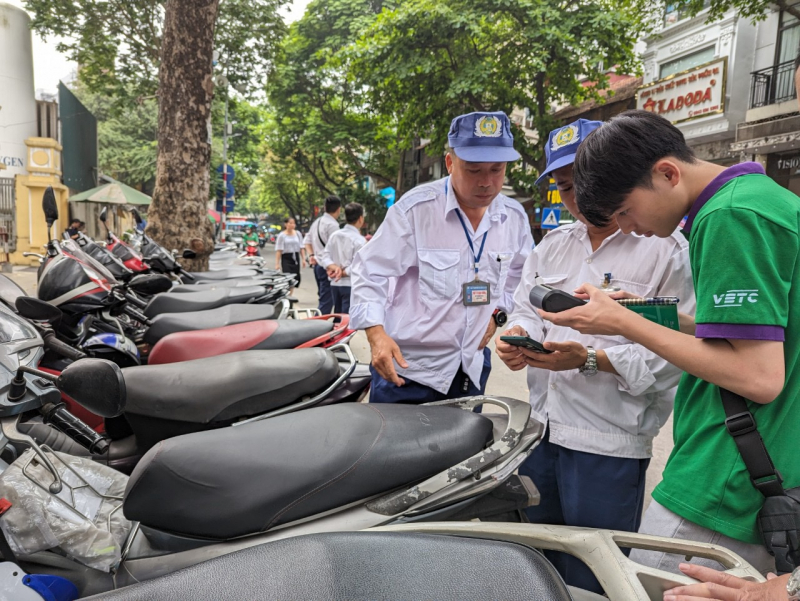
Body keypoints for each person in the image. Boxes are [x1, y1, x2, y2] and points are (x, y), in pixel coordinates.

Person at [540, 109, 800, 575]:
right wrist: (645, 311)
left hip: (725, 471)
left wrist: (624, 323)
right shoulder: (759, 198)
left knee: (642, 578)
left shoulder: (730, 216)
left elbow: (758, 376)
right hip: (758, 458)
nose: (624, 226)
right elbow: (741, 331)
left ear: (667, 173)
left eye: (624, 210)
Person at [494, 119, 695, 593]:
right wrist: (517, 336)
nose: (580, 200)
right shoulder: (554, 244)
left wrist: (589, 359)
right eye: (566, 187)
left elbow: (676, 355)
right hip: (540, 433)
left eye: (588, 185)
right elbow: (527, 306)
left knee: (594, 575)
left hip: (607, 444)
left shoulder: (666, 249)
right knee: (537, 565)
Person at [350, 111, 533, 404]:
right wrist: (376, 335)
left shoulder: (513, 218)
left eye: (496, 169)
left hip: (469, 371)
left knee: (466, 450)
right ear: (450, 163)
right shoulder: (415, 211)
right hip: (409, 373)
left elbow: (520, 277)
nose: (486, 182)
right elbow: (368, 270)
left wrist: (497, 314)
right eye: (474, 170)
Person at [318, 202, 366, 314]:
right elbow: (358, 265)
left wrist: (334, 268)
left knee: (338, 317)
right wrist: (342, 272)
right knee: (347, 322)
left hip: (335, 284)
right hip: (350, 285)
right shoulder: (360, 240)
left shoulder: (335, 235)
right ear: (360, 218)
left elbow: (324, 257)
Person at [304, 196, 342, 314]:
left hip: (318, 267)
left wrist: (311, 256)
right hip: (328, 268)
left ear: (325, 207)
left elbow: (307, 242)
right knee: (327, 302)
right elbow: (336, 249)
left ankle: (317, 325)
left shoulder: (317, 222)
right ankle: (315, 328)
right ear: (339, 209)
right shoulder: (333, 225)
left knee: (324, 299)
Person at [275, 217, 306, 295]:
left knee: (295, 277)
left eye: (293, 223)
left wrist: (303, 259)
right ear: (286, 224)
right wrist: (277, 263)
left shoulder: (298, 234)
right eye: (290, 223)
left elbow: (301, 247)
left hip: (295, 257)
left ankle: (290, 295)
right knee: (288, 276)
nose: (292, 225)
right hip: (286, 258)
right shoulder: (282, 235)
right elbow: (279, 250)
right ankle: (288, 295)